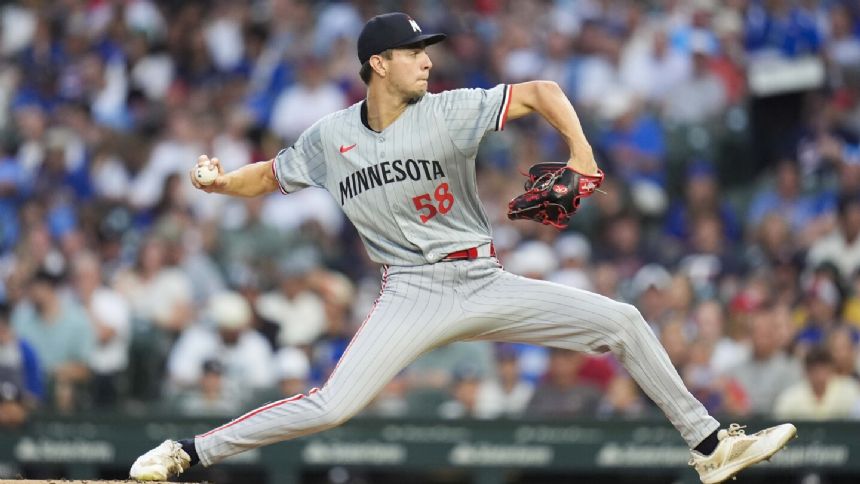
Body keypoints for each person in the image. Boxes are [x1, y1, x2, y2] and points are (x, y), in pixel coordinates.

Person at [130, 12, 796, 484]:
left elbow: (541, 91)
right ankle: (188, 453)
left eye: (429, 50)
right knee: (331, 406)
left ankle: (709, 445)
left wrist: (582, 153)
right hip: (410, 292)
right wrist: (220, 185)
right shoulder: (329, 137)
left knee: (622, 320)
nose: (428, 59)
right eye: (415, 52)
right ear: (377, 64)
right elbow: (270, 176)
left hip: (482, 279)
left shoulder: (448, 110)